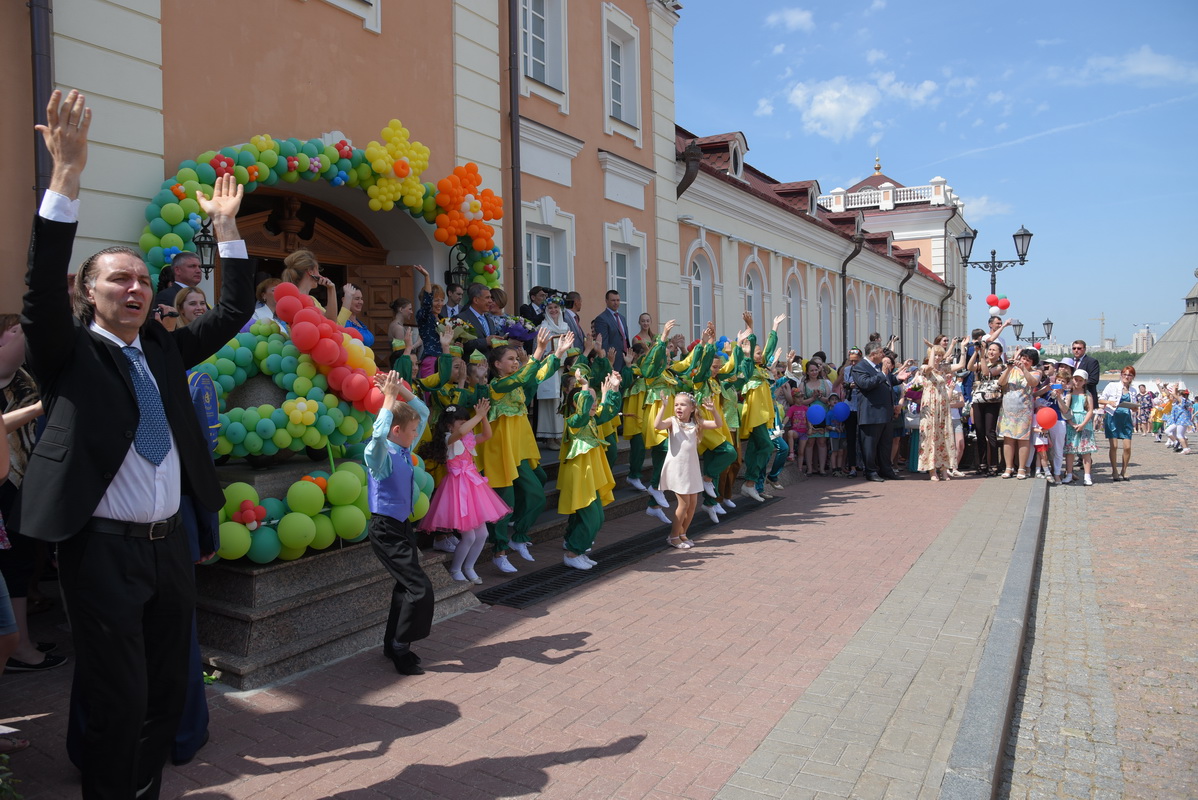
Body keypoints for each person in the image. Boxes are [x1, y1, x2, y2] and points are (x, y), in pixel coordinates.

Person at [17, 90, 253, 799]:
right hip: (101, 551)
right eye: (119, 278)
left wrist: (227, 230)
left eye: (144, 279)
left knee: (166, 689)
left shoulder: (164, 351)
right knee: (117, 693)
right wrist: (66, 178)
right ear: (89, 294)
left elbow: (235, 309)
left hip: (168, 544)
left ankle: (141, 788)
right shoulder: (68, 354)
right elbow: (38, 292)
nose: (136, 287)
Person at [481, 330, 571, 572]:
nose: (515, 362)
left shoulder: (519, 382)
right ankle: (499, 551)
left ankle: (519, 535)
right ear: (497, 364)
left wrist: (558, 353)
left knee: (536, 495)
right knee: (504, 500)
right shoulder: (497, 386)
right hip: (500, 453)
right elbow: (522, 377)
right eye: (510, 359)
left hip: (519, 451)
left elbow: (538, 375)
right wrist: (539, 350)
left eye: (515, 358)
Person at [364, 371, 432, 675]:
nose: (416, 433)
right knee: (419, 588)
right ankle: (401, 647)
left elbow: (423, 412)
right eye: (412, 430)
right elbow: (378, 436)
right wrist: (389, 398)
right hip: (385, 529)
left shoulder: (404, 449)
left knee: (405, 587)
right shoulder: (379, 455)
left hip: (402, 527)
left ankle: (391, 645)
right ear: (396, 429)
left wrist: (401, 390)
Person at [417, 399, 508, 584]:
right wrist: (478, 416)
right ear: (449, 425)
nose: (466, 426)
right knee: (469, 536)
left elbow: (487, 434)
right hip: (457, 490)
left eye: (466, 422)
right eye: (461, 422)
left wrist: (483, 417)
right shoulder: (448, 439)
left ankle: (469, 567)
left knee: (483, 534)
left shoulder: (467, 440)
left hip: (473, 487)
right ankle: (456, 569)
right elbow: (460, 432)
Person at [558, 371, 623, 569]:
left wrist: (614, 388)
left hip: (590, 474)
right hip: (580, 475)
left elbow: (609, 410)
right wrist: (585, 386)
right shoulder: (574, 422)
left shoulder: (593, 420)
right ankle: (572, 553)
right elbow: (583, 413)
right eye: (590, 400)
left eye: (595, 400)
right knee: (591, 517)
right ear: (576, 403)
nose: (594, 404)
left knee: (597, 517)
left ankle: (579, 550)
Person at [655, 393, 724, 549]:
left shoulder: (696, 423)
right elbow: (657, 425)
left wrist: (713, 410)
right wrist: (663, 407)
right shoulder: (672, 422)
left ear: (692, 408)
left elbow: (718, 424)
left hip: (691, 468)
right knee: (684, 504)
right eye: (676, 404)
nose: (678, 407)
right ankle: (673, 537)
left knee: (692, 504)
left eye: (683, 404)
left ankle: (683, 533)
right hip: (677, 468)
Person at [852, 340, 911, 482]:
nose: (883, 355)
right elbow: (865, 384)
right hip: (871, 414)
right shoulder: (860, 367)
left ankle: (886, 470)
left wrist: (898, 379)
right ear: (873, 354)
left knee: (885, 445)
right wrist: (883, 373)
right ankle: (871, 471)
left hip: (885, 413)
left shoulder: (879, 366)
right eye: (881, 352)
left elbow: (888, 380)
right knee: (870, 445)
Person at [997, 348, 1040, 479]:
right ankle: (1008, 467)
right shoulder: (1011, 370)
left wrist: (1024, 369)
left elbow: (1033, 382)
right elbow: (1001, 382)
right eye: (1023, 358)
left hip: (1024, 411)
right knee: (1008, 438)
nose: (1024, 361)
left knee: (1023, 439)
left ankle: (1021, 468)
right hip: (1008, 411)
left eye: (1028, 360)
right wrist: (1009, 369)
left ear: (1033, 362)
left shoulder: (1036, 372)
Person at [916, 345, 956, 481]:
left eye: (940, 355)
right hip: (930, 404)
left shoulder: (943, 368)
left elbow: (962, 365)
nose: (938, 357)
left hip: (942, 405)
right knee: (930, 435)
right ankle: (931, 469)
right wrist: (932, 350)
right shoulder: (924, 367)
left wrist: (961, 347)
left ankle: (944, 468)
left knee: (944, 435)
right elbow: (930, 366)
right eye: (936, 355)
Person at [968, 341, 1005, 475]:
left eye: (994, 350)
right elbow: (969, 367)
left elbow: (986, 373)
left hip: (992, 400)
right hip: (978, 400)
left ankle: (993, 464)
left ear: (1000, 353)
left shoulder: (1000, 366)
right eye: (989, 349)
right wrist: (976, 352)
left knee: (990, 432)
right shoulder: (983, 361)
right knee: (979, 432)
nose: (991, 352)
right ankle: (982, 463)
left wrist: (982, 357)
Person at [1099, 365, 1138, 480]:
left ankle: (1124, 470)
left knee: (1127, 447)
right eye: (1125, 374)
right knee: (1114, 446)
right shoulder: (1112, 385)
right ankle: (1114, 470)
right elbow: (1100, 399)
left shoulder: (1133, 391)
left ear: (1132, 377)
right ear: (1121, 375)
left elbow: (1134, 406)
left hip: (1126, 418)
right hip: (1113, 417)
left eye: (1129, 375)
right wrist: (1109, 402)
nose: (1127, 377)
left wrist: (1134, 408)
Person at [281, 248, 339, 323]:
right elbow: (330, 321)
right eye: (318, 270)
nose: (320, 275)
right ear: (310, 272)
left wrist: (331, 289)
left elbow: (331, 321)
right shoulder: (293, 300)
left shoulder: (312, 299)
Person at [1062, 368, 1096, 485]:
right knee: (1070, 450)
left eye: (1080, 380)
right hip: (1072, 421)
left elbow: (1090, 410)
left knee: (1086, 451)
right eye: (1076, 379)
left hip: (1084, 422)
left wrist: (1083, 424)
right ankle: (1069, 473)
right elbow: (1066, 410)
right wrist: (1071, 423)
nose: (1077, 382)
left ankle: (1087, 475)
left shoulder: (1087, 394)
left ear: (1084, 381)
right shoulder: (1069, 394)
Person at [592, 290, 630, 371]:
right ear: (606, 301)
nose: (616, 303)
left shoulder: (622, 318)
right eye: (613, 300)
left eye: (618, 300)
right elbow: (603, 343)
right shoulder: (602, 318)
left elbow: (625, 338)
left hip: (625, 359)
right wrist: (607, 361)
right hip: (612, 359)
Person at [455, 283, 494, 357]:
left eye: (490, 298)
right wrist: (485, 342)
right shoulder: (461, 319)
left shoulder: (490, 321)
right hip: (471, 363)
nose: (491, 301)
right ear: (476, 300)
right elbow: (461, 344)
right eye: (487, 298)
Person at [339, 283, 375, 347]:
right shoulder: (342, 323)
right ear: (344, 299)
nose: (361, 302)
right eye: (357, 299)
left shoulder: (359, 323)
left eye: (361, 299)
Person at [1070, 340, 1101, 408]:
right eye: (1074, 348)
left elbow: (1094, 380)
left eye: (1079, 348)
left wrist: (1078, 383)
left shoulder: (1092, 362)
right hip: (1071, 398)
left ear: (1084, 349)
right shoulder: (1069, 362)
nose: (1076, 350)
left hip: (1087, 398)